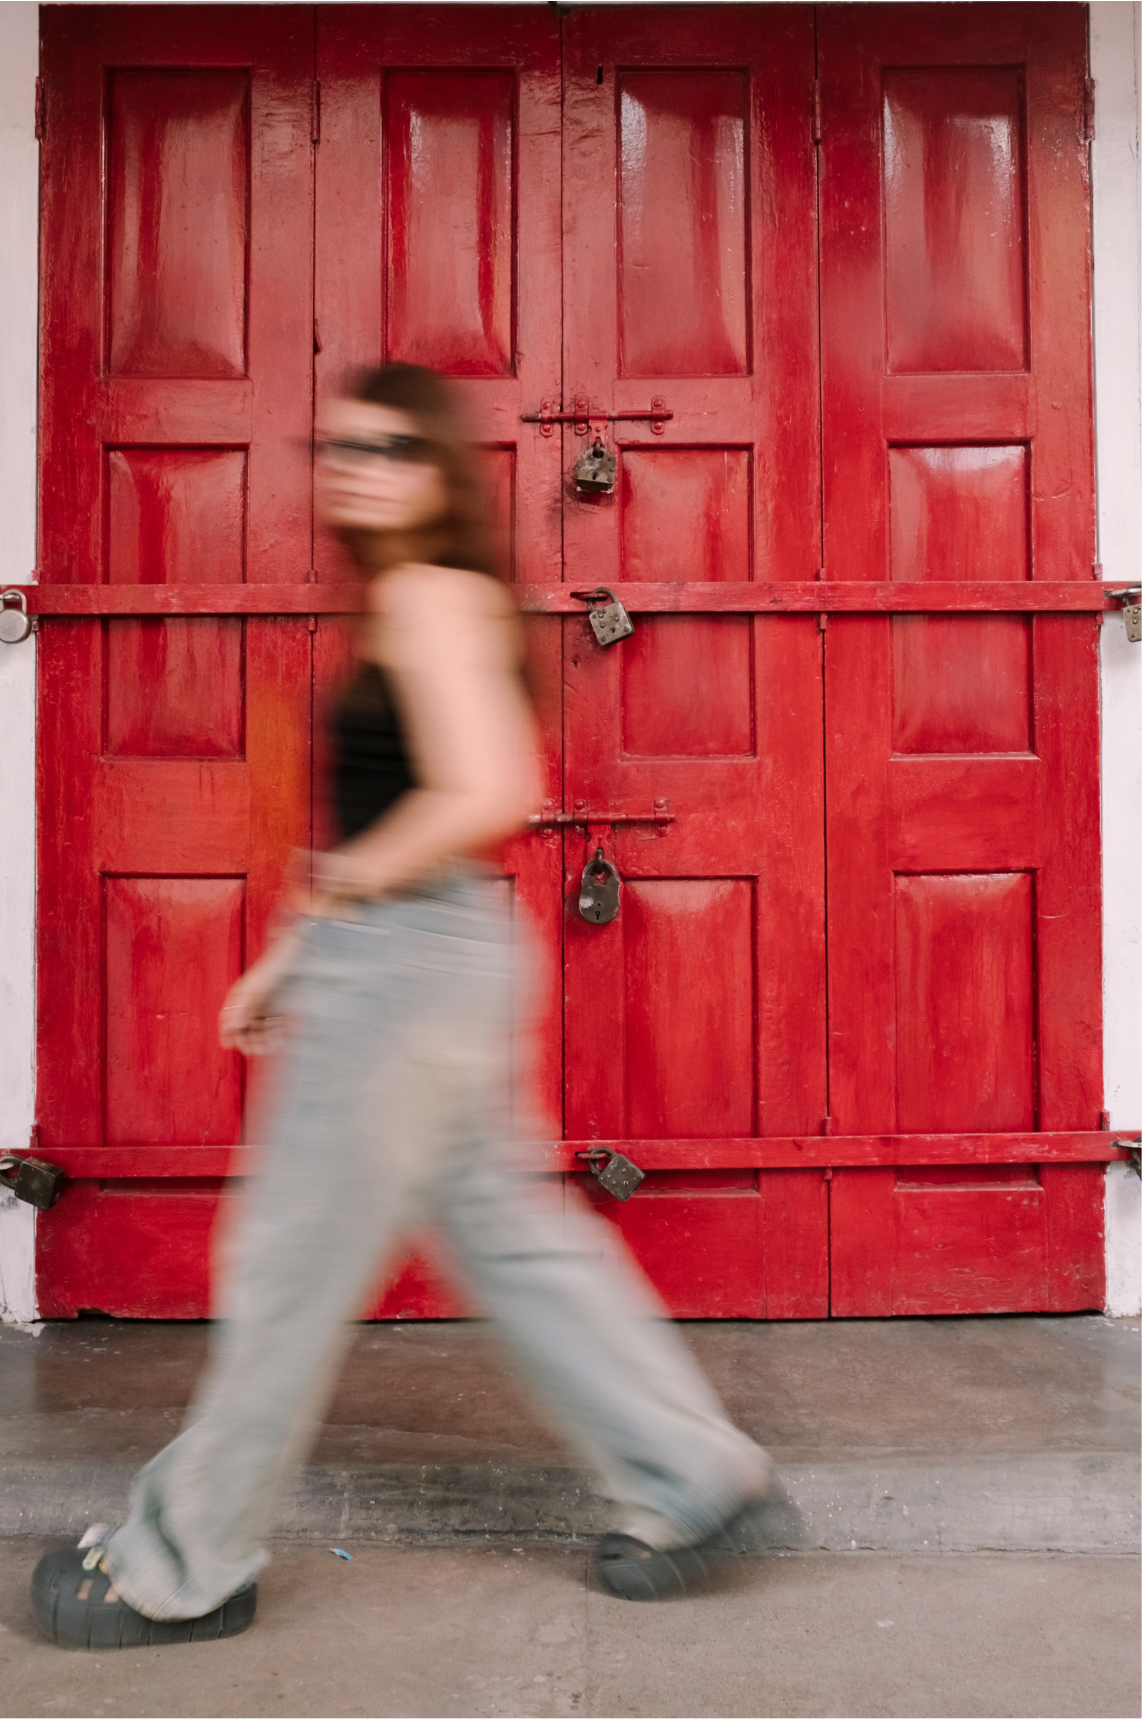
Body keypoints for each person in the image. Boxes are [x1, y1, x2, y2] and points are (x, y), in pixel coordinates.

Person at [32, 364, 772, 1649]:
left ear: (437, 475)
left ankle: (179, 1560)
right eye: (340, 444)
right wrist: (301, 950)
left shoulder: (430, 599)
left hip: (408, 966)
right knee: (512, 1247)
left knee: (288, 1265)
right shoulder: (418, 601)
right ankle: (693, 1478)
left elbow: (484, 787)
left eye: (390, 447)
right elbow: (405, 813)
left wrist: (335, 913)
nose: (355, 465)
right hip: (428, 952)